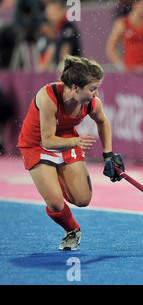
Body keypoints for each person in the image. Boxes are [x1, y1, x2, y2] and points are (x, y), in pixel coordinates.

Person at [17, 55, 125, 250]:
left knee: (82, 200)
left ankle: (56, 179)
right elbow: (48, 140)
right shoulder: (48, 96)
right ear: (75, 87)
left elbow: (102, 122)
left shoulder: (92, 102)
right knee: (56, 203)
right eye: (92, 89)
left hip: (66, 141)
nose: (96, 93)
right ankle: (72, 230)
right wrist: (76, 141)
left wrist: (108, 155)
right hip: (37, 145)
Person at [106, 0, 143, 73]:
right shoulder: (122, 23)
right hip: (130, 70)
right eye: (142, 5)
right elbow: (110, 48)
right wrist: (121, 66)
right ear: (134, 5)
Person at [38, 0, 82, 72]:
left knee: (61, 66)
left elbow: (66, 50)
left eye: (53, 12)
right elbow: (50, 49)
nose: (50, 16)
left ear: (60, 11)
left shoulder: (68, 26)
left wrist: (61, 66)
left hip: (72, 69)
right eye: (49, 13)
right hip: (58, 67)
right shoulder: (51, 29)